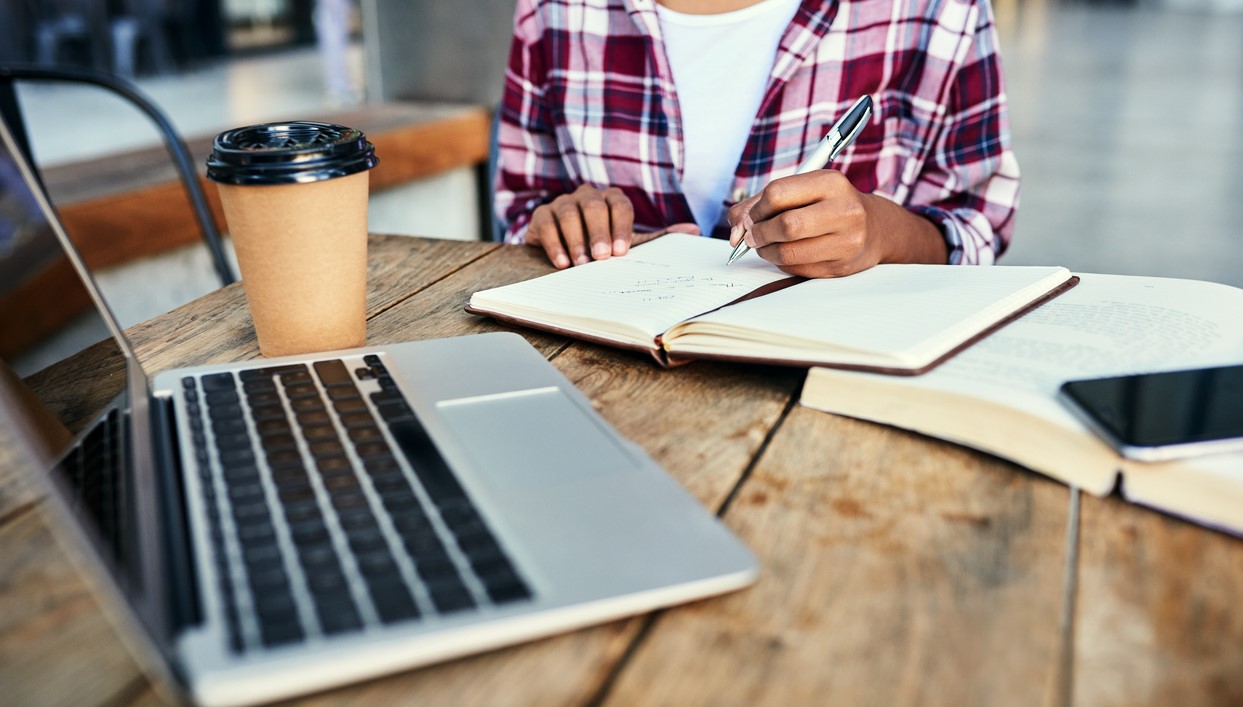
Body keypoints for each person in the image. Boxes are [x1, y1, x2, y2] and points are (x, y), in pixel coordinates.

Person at [493, 0, 1020, 278]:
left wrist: (884, 234)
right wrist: (563, 223)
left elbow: (978, 229)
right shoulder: (554, 9)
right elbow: (522, 207)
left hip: (831, 380)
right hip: (603, 368)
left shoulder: (938, 10)